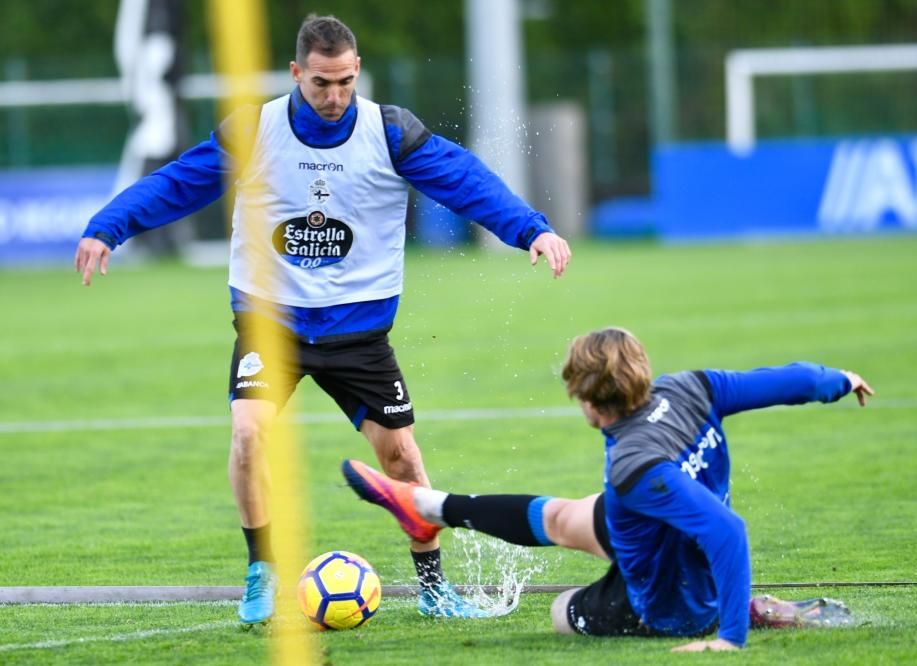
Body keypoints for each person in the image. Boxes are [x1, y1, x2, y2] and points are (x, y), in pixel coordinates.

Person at [74, 14, 571, 626]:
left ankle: (435, 588)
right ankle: (262, 571)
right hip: (271, 323)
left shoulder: (388, 132)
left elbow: (465, 180)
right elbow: (178, 183)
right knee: (248, 434)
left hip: (358, 333)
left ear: (356, 70)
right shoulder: (257, 129)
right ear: (295, 75)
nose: (334, 97)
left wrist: (532, 229)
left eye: (343, 82)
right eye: (319, 84)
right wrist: (108, 226)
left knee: (404, 463)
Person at [342, 327, 873, 650]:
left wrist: (727, 639)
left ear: (591, 404)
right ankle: (426, 507)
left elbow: (728, 533)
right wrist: (838, 381)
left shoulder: (635, 467)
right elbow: (794, 379)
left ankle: (743, 612)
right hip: (659, 526)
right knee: (563, 519)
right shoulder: (691, 387)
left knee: (561, 614)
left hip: (670, 600)